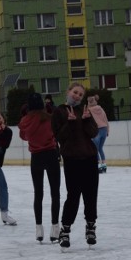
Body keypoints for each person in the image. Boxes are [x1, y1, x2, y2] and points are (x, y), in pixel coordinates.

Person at [51, 82, 100, 250]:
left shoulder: (84, 111)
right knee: (73, 195)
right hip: (72, 159)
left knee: (90, 194)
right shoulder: (58, 112)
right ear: (68, 91)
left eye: (80, 94)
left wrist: (86, 120)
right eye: (75, 92)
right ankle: (65, 230)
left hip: (89, 158)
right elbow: (59, 137)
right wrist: (70, 123)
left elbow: (94, 133)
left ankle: (91, 227)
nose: (77, 96)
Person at [18, 92, 61, 243]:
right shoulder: (49, 118)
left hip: (36, 158)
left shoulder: (25, 121)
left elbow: (23, 136)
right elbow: (57, 131)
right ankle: (55, 228)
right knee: (55, 193)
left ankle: (38, 228)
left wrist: (25, 117)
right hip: (50, 155)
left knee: (38, 193)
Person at [86, 95, 110, 173]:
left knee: (95, 149)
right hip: (104, 129)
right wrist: (107, 131)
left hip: (96, 130)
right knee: (100, 148)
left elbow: (87, 122)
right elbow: (106, 119)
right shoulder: (101, 109)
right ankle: (104, 164)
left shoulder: (89, 110)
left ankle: (98, 165)